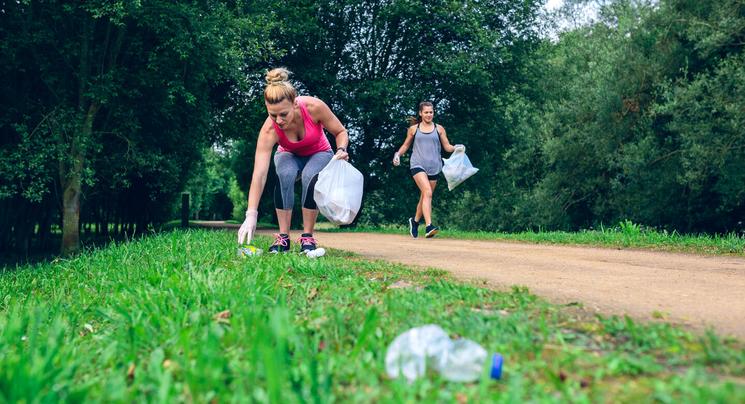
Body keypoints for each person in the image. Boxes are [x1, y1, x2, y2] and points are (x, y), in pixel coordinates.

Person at [237, 68, 349, 253]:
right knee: (285, 174)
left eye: (283, 114)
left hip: (320, 152)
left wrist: (341, 150)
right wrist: (251, 214)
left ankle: (307, 237)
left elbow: (340, 132)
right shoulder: (269, 130)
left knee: (310, 176)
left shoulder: (314, 107)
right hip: (288, 154)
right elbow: (259, 174)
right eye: (273, 115)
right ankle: (283, 238)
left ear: (295, 104)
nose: (278, 120)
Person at [392, 101, 464, 238]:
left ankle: (415, 222)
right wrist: (397, 155)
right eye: (426, 112)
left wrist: (457, 148)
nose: (429, 114)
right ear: (420, 113)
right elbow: (406, 145)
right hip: (417, 164)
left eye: (431, 112)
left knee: (425, 196)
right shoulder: (414, 129)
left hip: (435, 166)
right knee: (427, 192)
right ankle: (429, 226)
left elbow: (447, 147)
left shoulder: (439, 129)